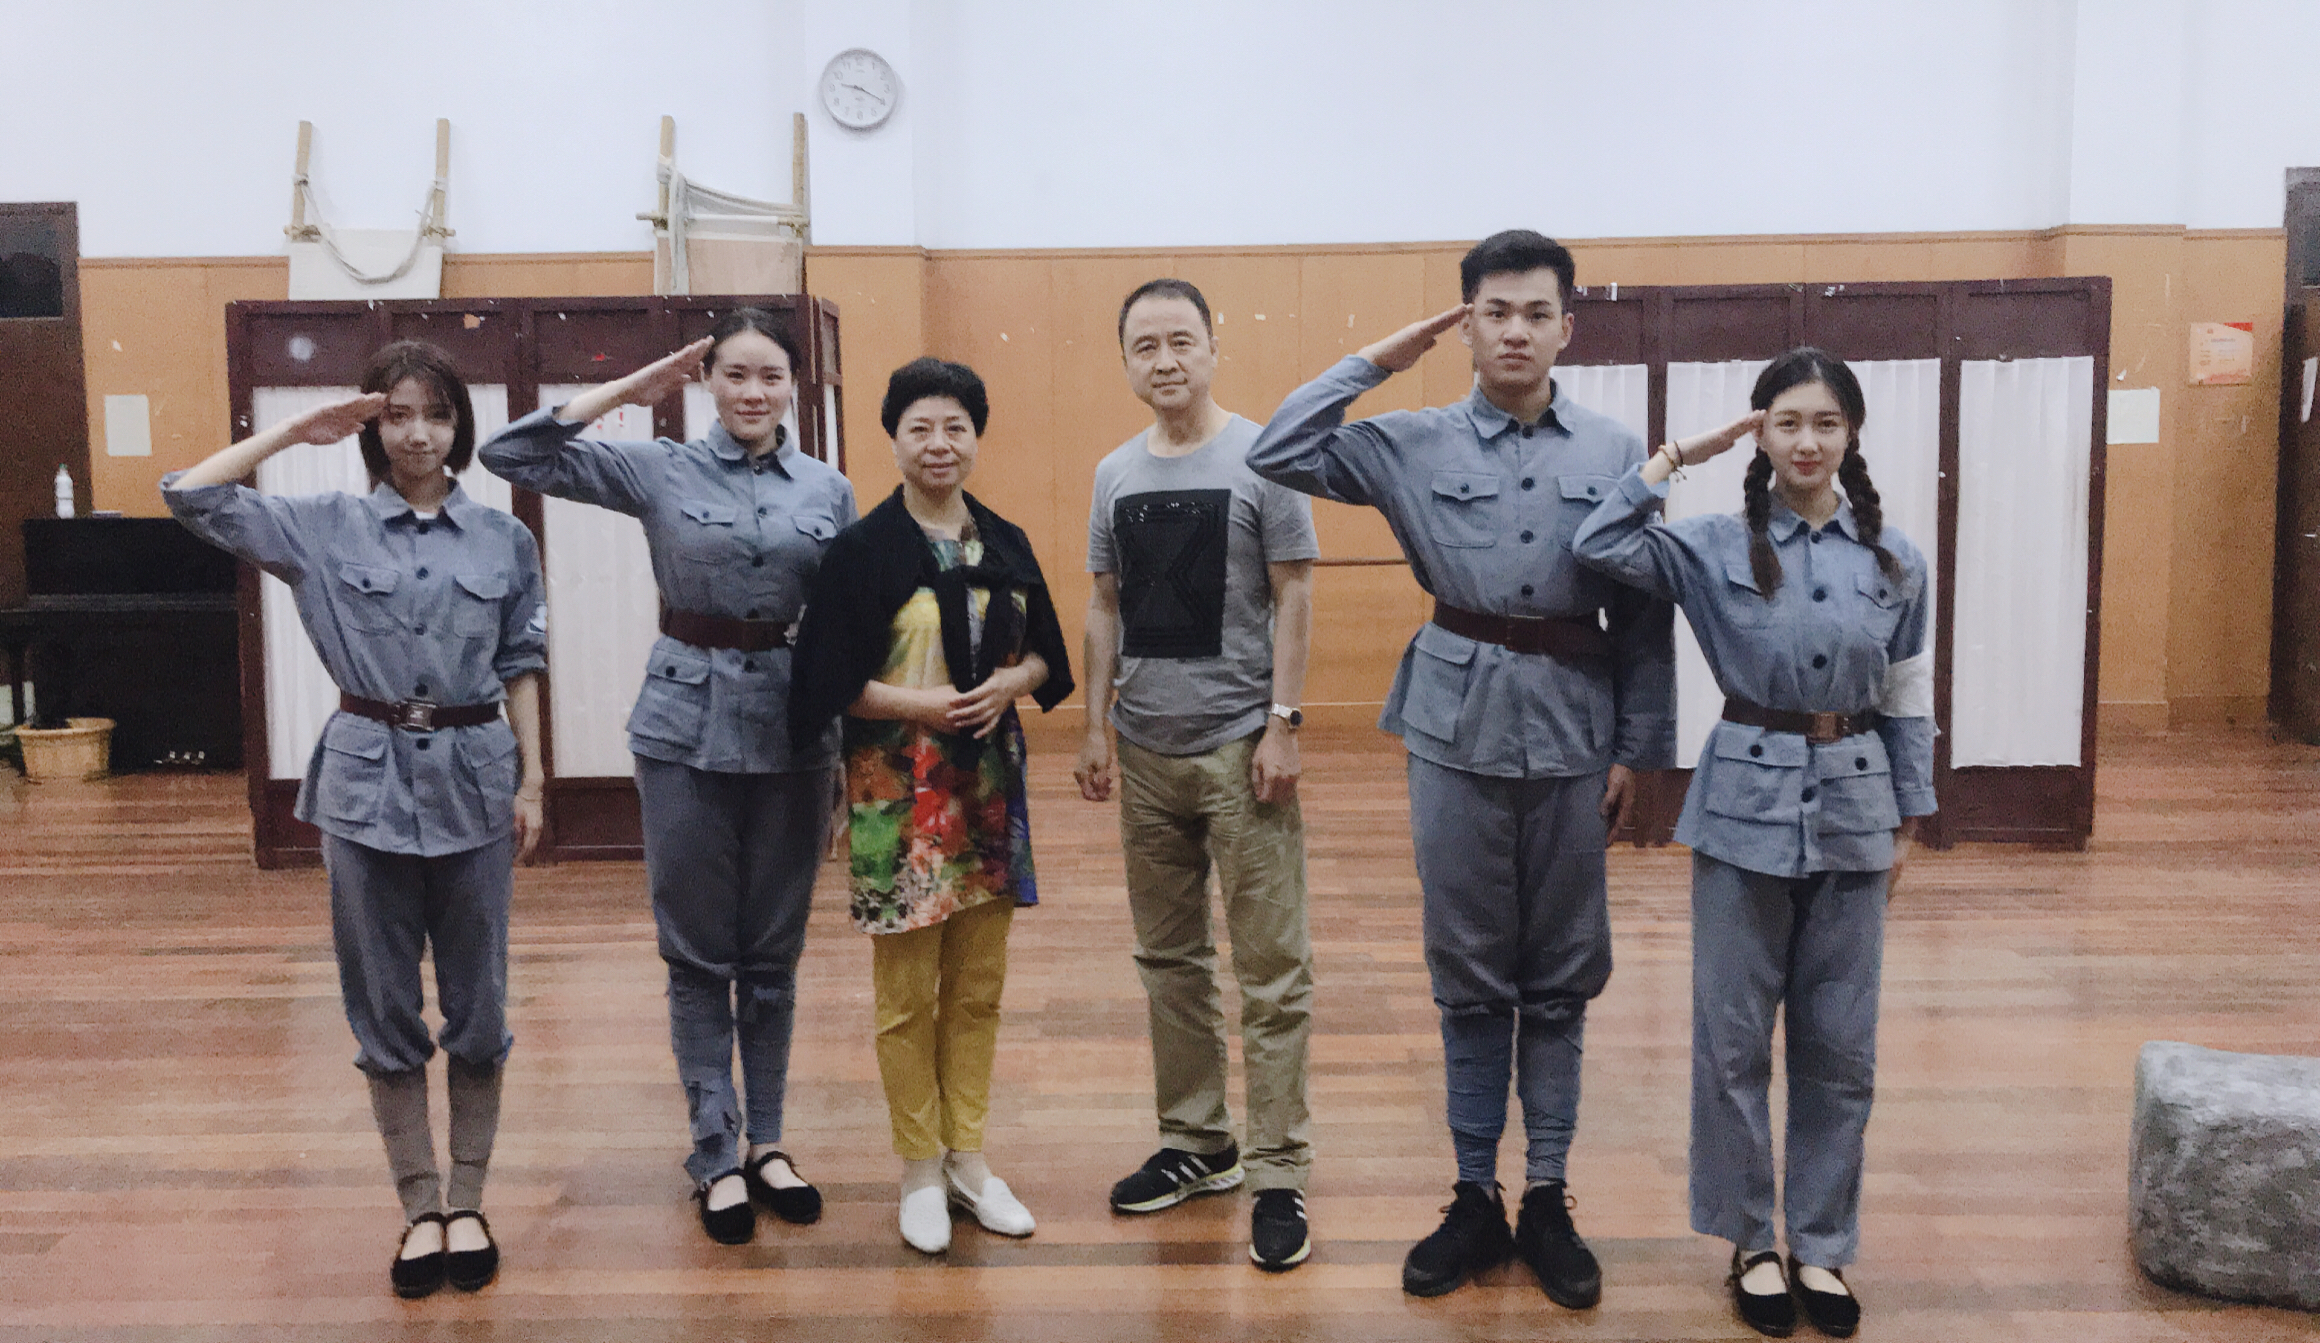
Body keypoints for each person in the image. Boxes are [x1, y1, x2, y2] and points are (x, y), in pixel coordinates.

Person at [1246, 230, 1675, 1307]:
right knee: (1470, 970)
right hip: (1455, 724)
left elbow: (1644, 614)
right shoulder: (1411, 440)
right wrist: (1378, 360)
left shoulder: (1617, 448)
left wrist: (1640, 749)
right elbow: (1279, 448)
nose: (1515, 331)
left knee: (1563, 973)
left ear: (1567, 326)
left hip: (1575, 728)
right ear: (1466, 324)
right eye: (1494, 311)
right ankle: (1475, 1192)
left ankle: (1548, 1195)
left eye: (1536, 312)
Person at [164, 341, 546, 1298]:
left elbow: (522, 662)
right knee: (381, 1004)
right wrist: (295, 432)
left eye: (437, 414)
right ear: (373, 426)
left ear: (460, 425)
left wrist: (533, 779)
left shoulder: (503, 538)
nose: (418, 435)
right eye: (397, 415)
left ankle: (469, 1199)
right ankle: (420, 1207)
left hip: (475, 779)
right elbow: (189, 496)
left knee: (480, 1003)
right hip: (364, 786)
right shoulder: (322, 526)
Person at [1571, 347, 1933, 1338]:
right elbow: (1598, 540)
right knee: (1732, 1042)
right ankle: (1750, 1241)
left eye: (1825, 422)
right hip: (1740, 807)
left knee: (1840, 1045)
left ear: (1851, 433)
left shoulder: (1896, 558)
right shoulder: (1709, 544)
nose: (1806, 441)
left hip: (1855, 811)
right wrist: (1678, 454)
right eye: (1786, 422)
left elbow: (1907, 693)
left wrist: (1909, 816)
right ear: (1760, 432)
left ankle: (1820, 1242)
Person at [476, 310, 854, 1245]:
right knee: (696, 953)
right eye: (735, 374)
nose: (754, 392)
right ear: (707, 381)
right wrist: (630, 389)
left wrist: (845, 754)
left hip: (795, 734)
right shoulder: (661, 467)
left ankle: (769, 1142)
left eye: (771, 375)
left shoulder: (830, 489)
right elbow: (510, 453)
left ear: (794, 386)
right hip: (684, 728)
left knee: (773, 953)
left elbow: (844, 625)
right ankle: (714, 1152)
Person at [789, 357, 1073, 1256]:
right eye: (920, 427)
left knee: (979, 988)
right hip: (895, 789)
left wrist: (1010, 685)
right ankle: (918, 1167)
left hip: (986, 787)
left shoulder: (1006, 542)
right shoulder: (862, 550)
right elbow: (827, 679)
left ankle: (969, 1160)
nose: (939, 443)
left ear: (976, 437)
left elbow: (1047, 657)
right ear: (895, 440)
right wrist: (926, 705)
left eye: (956, 426)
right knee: (907, 995)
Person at [1073, 279, 1322, 1272]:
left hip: (1240, 748)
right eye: (1146, 345)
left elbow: (1294, 591)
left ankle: (1278, 1168)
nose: (1165, 359)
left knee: (1271, 969)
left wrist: (1284, 724)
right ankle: (1198, 1141)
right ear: (1126, 363)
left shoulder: (1266, 457)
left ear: (1214, 348)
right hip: (1145, 751)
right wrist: (1094, 726)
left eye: (1181, 340)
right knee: (1168, 959)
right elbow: (1103, 603)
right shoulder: (1113, 472)